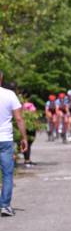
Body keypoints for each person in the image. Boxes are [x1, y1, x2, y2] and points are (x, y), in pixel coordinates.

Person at [0, 71, 28, 216]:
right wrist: (24, 137)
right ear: (1, 78)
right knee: (7, 173)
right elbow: (19, 119)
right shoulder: (10, 95)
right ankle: (4, 206)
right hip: (5, 139)